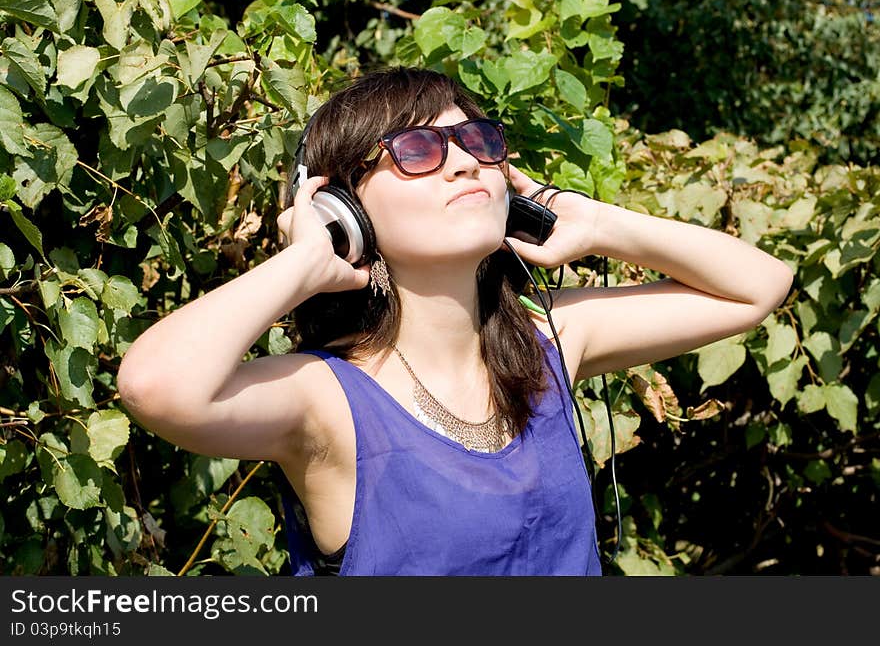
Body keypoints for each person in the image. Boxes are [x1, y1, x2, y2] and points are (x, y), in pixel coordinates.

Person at [116, 66, 794, 576]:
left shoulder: (552, 341)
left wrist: (596, 221)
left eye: (477, 138)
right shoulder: (327, 399)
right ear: (344, 206)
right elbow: (155, 385)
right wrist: (308, 258)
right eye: (417, 148)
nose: (466, 160)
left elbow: (759, 286)